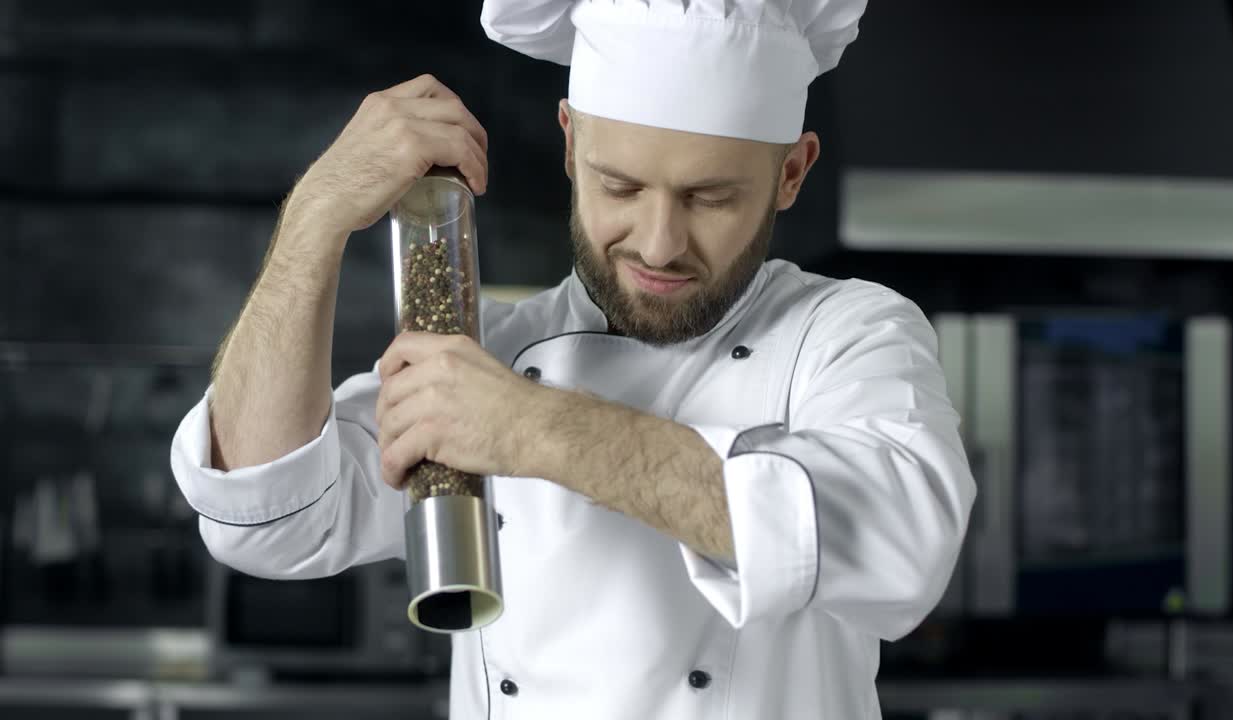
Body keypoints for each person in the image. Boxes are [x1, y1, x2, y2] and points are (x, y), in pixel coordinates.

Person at [170, 1, 975, 717]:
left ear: (791, 172)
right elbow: (264, 515)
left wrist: (535, 430)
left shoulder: (848, 335)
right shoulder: (488, 355)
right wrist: (315, 216)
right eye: (620, 187)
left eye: (710, 198)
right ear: (568, 143)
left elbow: (899, 546)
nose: (658, 243)